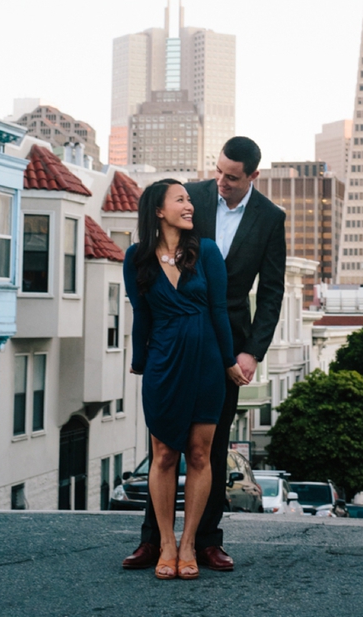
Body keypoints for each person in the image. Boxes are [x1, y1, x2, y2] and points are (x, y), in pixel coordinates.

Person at [123, 136, 286, 573]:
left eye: (231, 177)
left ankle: (206, 541)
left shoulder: (271, 218)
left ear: (253, 176)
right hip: (174, 340)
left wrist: (250, 352)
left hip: (226, 342)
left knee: (209, 449)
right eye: (217, 171)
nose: (220, 183)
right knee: (164, 446)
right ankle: (154, 541)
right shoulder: (189, 196)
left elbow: (271, 292)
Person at [123, 179, 249, 580]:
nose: (189, 205)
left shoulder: (206, 251)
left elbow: (218, 311)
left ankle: (191, 542)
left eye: (189, 199)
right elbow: (141, 315)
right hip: (163, 363)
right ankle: (166, 543)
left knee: (199, 454)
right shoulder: (136, 258)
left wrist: (229, 361)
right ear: (159, 211)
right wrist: (140, 362)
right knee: (163, 455)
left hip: (206, 363)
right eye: (180, 199)